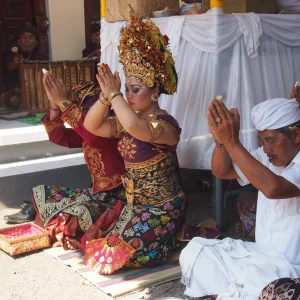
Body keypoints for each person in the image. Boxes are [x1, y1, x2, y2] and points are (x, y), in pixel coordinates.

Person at [83, 10, 186, 268]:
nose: (129, 95)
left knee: (126, 252)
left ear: (154, 93)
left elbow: (135, 125)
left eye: (135, 90)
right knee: (96, 237)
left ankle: (174, 234)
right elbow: (91, 125)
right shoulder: (126, 118)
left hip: (163, 207)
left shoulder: (165, 125)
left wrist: (115, 95)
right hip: (134, 204)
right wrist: (106, 97)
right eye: (127, 89)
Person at [180, 98, 300, 299]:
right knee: (196, 251)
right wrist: (221, 141)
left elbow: (273, 188)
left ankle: (229, 292)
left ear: (296, 134)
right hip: (259, 257)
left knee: (272, 289)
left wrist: (232, 142)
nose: (265, 148)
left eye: (270, 140)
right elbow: (221, 170)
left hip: (289, 271)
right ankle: (233, 293)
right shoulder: (265, 155)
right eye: (261, 140)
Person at [5, 74, 127, 249]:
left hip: (117, 198)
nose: (85, 116)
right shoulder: (88, 131)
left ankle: (56, 221)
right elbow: (60, 137)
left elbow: (92, 137)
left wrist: (63, 102)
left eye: (84, 110)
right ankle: (55, 220)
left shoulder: (114, 126)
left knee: (77, 214)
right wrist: (55, 106)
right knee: (42, 192)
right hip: (94, 193)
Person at [1, 23, 47, 110]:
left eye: (30, 37)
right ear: (19, 41)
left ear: (36, 42)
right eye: (24, 37)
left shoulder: (40, 55)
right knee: (13, 99)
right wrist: (15, 63)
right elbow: (9, 68)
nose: (27, 40)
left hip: (36, 89)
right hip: (17, 89)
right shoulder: (11, 53)